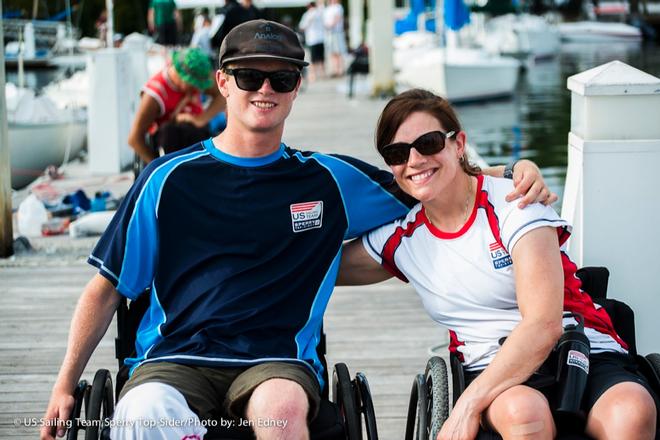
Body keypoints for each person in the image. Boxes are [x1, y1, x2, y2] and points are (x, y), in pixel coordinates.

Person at [41, 20, 554, 440]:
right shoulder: (166, 179)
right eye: (249, 77)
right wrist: (66, 383)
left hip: (277, 360)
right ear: (223, 83)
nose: (265, 89)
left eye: (281, 79)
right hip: (176, 355)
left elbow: (423, 176)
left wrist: (512, 172)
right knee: (143, 411)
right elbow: (106, 287)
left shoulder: (328, 179)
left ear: (296, 88)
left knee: (282, 409)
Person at [338, 88, 658, 440]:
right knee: (524, 415)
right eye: (398, 153)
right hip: (492, 364)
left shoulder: (516, 203)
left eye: (428, 143)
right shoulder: (402, 237)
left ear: (458, 144)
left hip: (579, 349)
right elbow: (317, 265)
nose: (414, 160)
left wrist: (465, 408)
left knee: (632, 412)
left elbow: (543, 325)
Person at [128, 47, 225, 165]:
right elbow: (134, 139)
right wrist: (158, 167)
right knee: (170, 131)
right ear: (181, 75)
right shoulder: (154, 95)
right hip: (170, 146)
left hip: (195, 138)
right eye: (194, 86)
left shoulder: (196, 78)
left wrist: (201, 119)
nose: (198, 89)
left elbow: (222, 95)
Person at [299, 2, 326, 82]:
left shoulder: (308, 14)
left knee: (314, 59)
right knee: (321, 58)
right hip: (320, 38)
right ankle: (322, 74)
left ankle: (313, 75)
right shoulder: (320, 12)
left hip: (313, 39)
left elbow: (302, 26)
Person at [323, 0, 347, 77]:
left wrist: (331, 25)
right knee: (332, 53)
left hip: (336, 32)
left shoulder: (338, 7)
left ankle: (341, 70)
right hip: (329, 33)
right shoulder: (328, 8)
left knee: (338, 52)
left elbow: (338, 17)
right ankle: (335, 70)